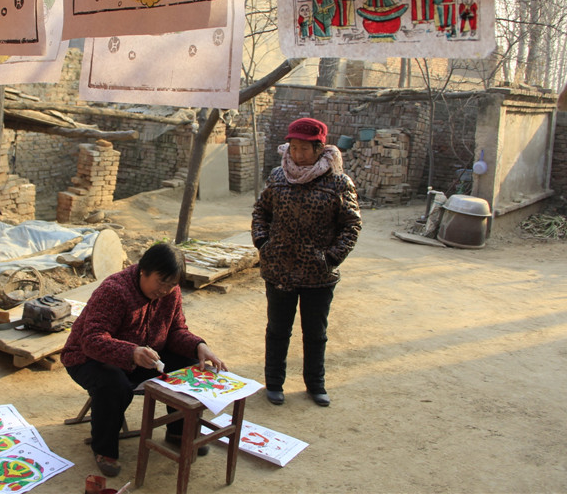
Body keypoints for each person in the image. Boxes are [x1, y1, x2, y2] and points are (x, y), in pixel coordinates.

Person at [61, 242, 226, 477]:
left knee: (190, 365)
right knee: (114, 384)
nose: (165, 290)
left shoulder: (170, 293)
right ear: (143, 271)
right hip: (88, 358)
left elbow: (176, 331)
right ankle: (104, 449)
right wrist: (131, 352)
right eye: (161, 282)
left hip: (144, 357)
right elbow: (91, 340)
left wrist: (199, 345)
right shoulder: (114, 290)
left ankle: (178, 431)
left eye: (172, 285)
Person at [252, 118, 361, 407]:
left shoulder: (337, 182)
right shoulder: (278, 176)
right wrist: (264, 243)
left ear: (319, 149)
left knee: (315, 334)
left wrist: (331, 258)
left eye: (304, 149)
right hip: (279, 271)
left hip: (318, 274)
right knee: (277, 330)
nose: (297, 154)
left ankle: (315, 385)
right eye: (294, 147)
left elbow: (351, 225)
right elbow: (260, 213)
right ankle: (274, 383)